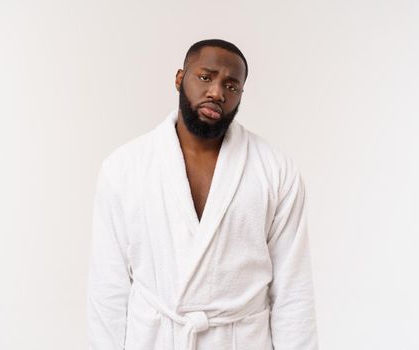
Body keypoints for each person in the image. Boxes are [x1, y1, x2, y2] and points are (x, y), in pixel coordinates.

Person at [87, 39, 318, 350]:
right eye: (206, 77)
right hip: (156, 340)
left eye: (231, 85)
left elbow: (293, 291)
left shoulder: (275, 170)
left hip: (240, 341)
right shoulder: (124, 167)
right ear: (180, 78)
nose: (217, 92)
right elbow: (108, 288)